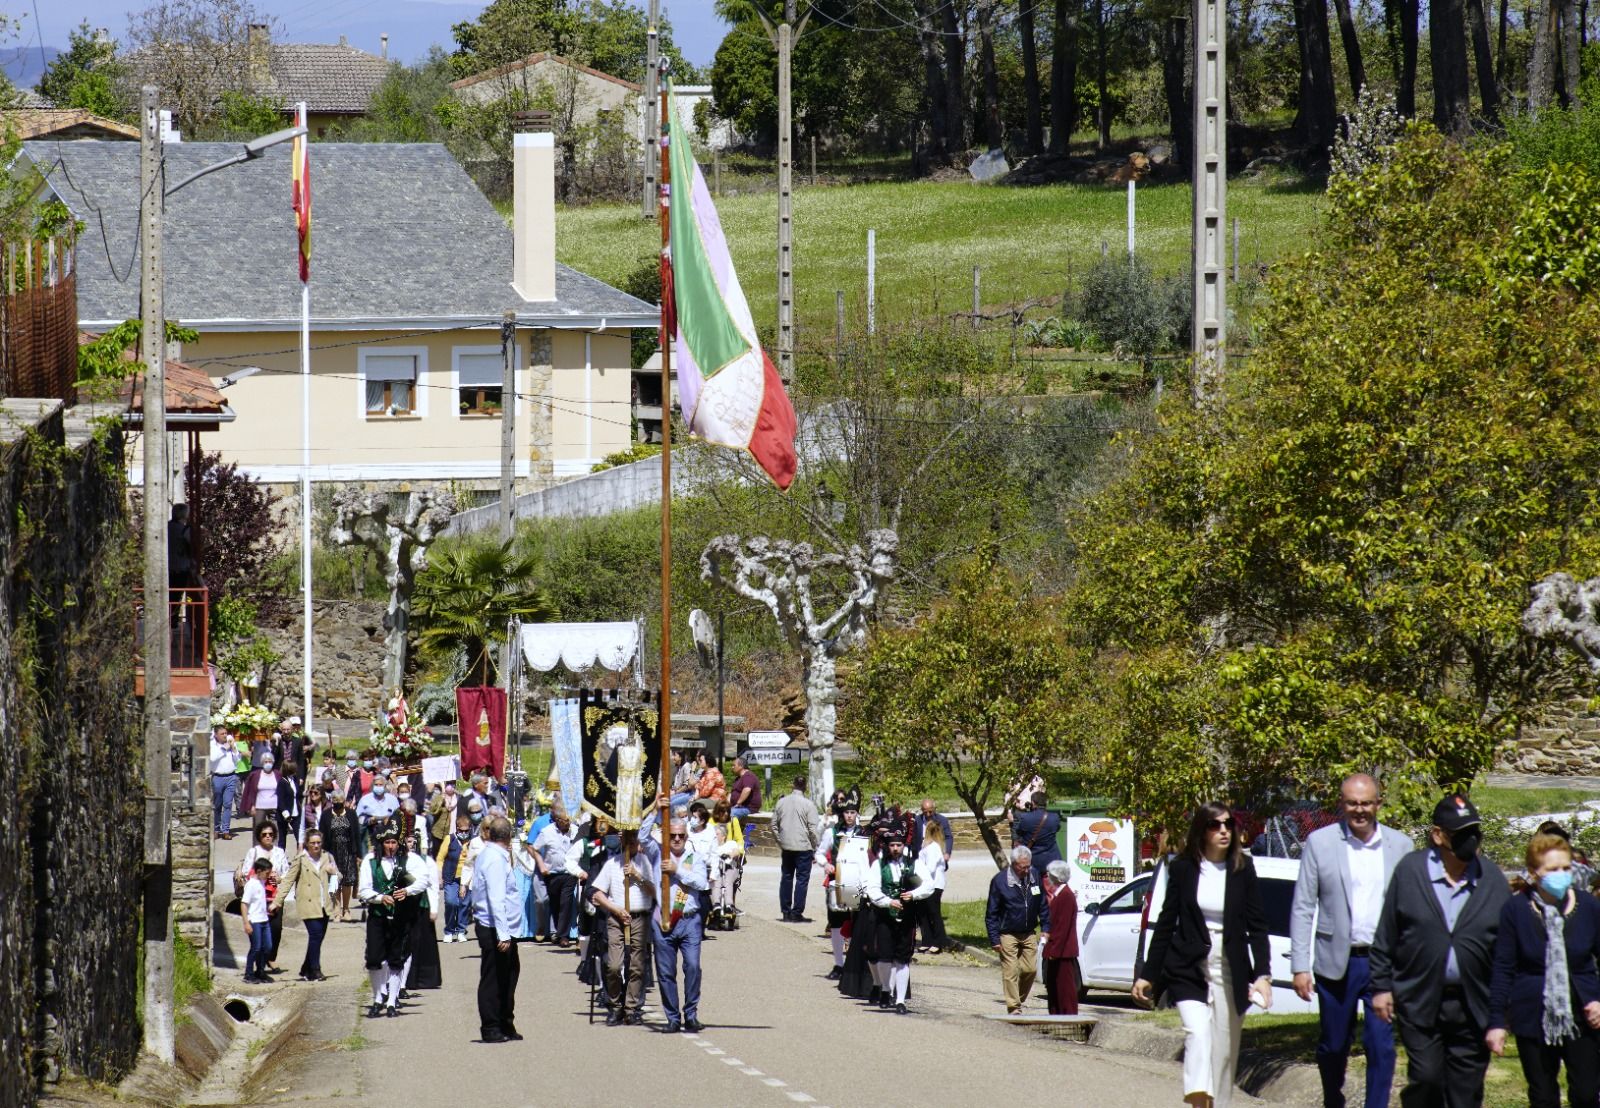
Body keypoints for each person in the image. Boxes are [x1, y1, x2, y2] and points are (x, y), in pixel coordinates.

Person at [1370, 793, 1510, 1108]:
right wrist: (1381, 987)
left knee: (1465, 1093)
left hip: (1473, 1003)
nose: (1470, 840)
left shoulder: (1492, 880)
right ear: (1438, 835)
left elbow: (1505, 954)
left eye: (1474, 831)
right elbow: (1386, 935)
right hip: (1420, 998)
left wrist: (1501, 1013)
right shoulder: (1410, 872)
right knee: (1427, 1080)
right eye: (1461, 833)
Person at [1133, 803, 1274, 1108]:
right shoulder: (1183, 869)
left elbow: (1258, 926)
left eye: (1228, 824)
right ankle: (1199, 1099)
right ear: (1201, 831)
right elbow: (1166, 923)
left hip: (1230, 969)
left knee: (1224, 1050)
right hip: (1189, 968)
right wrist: (1148, 975)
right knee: (1197, 1032)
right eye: (1215, 825)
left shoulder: (1242, 868)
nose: (1224, 830)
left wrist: (1262, 975)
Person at [1289, 773, 1413, 1108]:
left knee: (1381, 1044)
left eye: (1366, 803)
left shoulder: (1401, 846)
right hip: (1336, 962)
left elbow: (1409, 910)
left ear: (1378, 804)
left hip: (1382, 963)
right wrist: (1300, 966)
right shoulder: (1320, 842)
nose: (1360, 810)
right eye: (1352, 803)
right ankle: (1333, 1097)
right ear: (1341, 805)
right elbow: (1303, 906)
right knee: (1333, 1045)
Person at [1488, 830, 1600, 1108]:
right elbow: (1503, 967)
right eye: (1552, 869)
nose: (1561, 874)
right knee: (1543, 1095)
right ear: (1534, 873)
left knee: (1587, 1093)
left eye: (1566, 868)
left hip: (1582, 1014)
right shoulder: (1515, 909)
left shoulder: (1587, 907)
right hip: (1533, 1013)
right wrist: (1497, 1022)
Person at [358, 822, 427, 1019]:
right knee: (373, 958)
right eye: (387, 842)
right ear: (381, 843)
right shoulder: (370, 861)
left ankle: (391, 1002)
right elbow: (363, 890)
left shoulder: (409, 859)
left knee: (396, 958)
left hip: (400, 916)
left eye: (394, 842)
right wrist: (380, 898)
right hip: (378, 916)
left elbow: (424, 879)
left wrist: (407, 890)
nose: (391, 846)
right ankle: (378, 997)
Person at [864, 824, 934, 1014]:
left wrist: (914, 894)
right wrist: (887, 902)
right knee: (885, 958)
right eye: (893, 845)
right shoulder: (878, 865)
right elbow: (872, 889)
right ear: (887, 846)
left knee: (903, 959)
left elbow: (929, 884)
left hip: (908, 916)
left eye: (899, 845)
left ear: (904, 845)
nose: (896, 848)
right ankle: (886, 989)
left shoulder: (914, 863)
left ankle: (901, 1000)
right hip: (885, 916)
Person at [654, 814, 712, 1032]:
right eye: (672, 836)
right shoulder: (657, 856)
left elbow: (701, 882)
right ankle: (672, 1017)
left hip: (689, 920)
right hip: (664, 920)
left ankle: (691, 1013)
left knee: (693, 966)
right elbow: (642, 835)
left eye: (680, 836)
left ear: (686, 837)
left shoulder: (693, 858)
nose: (677, 839)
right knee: (666, 971)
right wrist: (657, 808)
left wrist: (676, 871)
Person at [592, 827, 657, 1026]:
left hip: (639, 917)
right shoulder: (612, 864)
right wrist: (616, 909)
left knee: (637, 965)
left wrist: (637, 875)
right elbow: (598, 894)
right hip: (617, 918)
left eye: (633, 840)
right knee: (613, 965)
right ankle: (615, 1004)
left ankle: (632, 1007)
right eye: (627, 840)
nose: (631, 844)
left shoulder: (645, 863)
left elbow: (654, 891)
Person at [470, 816, 522, 1042]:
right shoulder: (493, 859)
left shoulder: (496, 855)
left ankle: (505, 1023)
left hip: (504, 927)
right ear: (508, 836)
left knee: (509, 975)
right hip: (494, 927)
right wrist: (503, 934)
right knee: (493, 978)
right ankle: (491, 1027)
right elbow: (496, 898)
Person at [986, 845, 1046, 1014]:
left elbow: (1042, 904)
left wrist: (1045, 926)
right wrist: (994, 939)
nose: (1027, 870)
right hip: (1008, 933)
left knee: (1031, 970)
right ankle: (1014, 1007)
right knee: (1010, 971)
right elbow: (991, 912)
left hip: (1028, 932)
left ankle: (1017, 998)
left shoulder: (1034, 875)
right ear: (1013, 864)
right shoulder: (999, 881)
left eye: (1028, 866)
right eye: (1023, 867)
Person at [818, 797, 868, 979]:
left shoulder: (863, 833)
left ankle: (854, 963)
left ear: (857, 814)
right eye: (846, 812)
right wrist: (826, 865)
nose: (849, 816)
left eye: (852, 812)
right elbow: (820, 853)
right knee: (837, 924)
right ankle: (839, 964)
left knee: (855, 923)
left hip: (858, 883)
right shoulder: (832, 832)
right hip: (836, 881)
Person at [282, 828, 339, 980]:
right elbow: (288, 880)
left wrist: (333, 873)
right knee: (315, 934)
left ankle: (305, 968)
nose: (316, 846)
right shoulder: (301, 859)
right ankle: (315, 970)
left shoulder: (328, 857)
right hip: (307, 903)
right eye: (313, 843)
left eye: (318, 843)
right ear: (307, 844)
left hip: (324, 904)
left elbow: (338, 878)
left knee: (318, 938)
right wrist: (277, 901)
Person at [238, 821, 288, 972]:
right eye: (264, 834)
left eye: (270, 835)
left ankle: (271, 958)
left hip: (275, 896)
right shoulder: (253, 852)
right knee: (259, 931)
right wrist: (261, 878)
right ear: (259, 836)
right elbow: (247, 873)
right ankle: (258, 965)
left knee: (276, 928)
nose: (268, 837)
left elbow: (287, 873)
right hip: (259, 898)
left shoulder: (280, 852)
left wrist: (279, 879)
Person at [773, 775, 821, 923]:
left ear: (793, 785)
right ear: (805, 787)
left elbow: (774, 825)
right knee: (802, 880)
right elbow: (813, 829)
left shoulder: (781, 802)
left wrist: (781, 841)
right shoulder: (809, 805)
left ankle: (786, 912)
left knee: (786, 878)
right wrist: (816, 847)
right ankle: (796, 912)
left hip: (787, 846)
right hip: (803, 847)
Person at [532, 806, 580, 947]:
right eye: (566, 820)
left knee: (566, 902)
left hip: (569, 873)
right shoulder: (547, 832)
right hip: (552, 874)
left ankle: (563, 936)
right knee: (555, 903)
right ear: (558, 820)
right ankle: (557, 933)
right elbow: (535, 849)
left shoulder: (575, 830)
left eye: (569, 819)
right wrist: (541, 865)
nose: (568, 822)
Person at [404, 829, 443, 992]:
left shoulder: (427, 860)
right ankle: (405, 980)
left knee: (423, 941)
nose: (411, 844)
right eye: (408, 841)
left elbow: (433, 885)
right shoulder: (397, 859)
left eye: (414, 841)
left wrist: (434, 909)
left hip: (422, 906)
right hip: (404, 906)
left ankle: (425, 979)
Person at [1041, 859, 1080, 1015]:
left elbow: (1062, 927)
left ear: (1056, 876)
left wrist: (1053, 951)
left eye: (1050, 875)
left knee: (1065, 988)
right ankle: (1056, 1016)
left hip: (1062, 953)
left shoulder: (1066, 896)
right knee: (1054, 986)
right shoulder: (1060, 895)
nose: (1048, 877)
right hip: (1057, 951)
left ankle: (1068, 1018)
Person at [707, 799, 745, 930]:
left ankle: (730, 905)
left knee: (729, 880)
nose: (724, 814)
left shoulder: (733, 821)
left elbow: (740, 841)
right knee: (715, 880)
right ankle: (715, 907)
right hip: (715, 857)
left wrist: (737, 851)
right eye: (722, 811)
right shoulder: (711, 822)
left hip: (730, 858)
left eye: (727, 811)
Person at [436, 813, 474, 943]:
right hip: (450, 877)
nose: (463, 833)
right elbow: (440, 858)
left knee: (464, 904)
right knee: (452, 902)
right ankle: (449, 930)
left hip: (467, 879)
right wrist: (439, 876)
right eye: (461, 830)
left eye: (466, 830)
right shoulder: (450, 839)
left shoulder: (473, 841)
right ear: (456, 829)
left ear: (470, 829)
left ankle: (461, 930)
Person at [325, 791, 361, 923]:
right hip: (332, 852)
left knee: (347, 882)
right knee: (334, 881)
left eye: (340, 800)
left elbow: (356, 834)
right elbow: (323, 835)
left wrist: (359, 854)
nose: (338, 803)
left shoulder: (351, 814)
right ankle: (337, 910)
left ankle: (346, 909)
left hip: (348, 852)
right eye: (335, 800)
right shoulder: (326, 815)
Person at [916, 820, 951, 954]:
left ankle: (938, 941)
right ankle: (927, 940)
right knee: (923, 913)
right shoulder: (929, 846)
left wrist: (917, 873)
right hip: (928, 884)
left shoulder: (933, 848)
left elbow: (929, 868)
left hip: (934, 885)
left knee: (933, 913)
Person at [1010, 790, 1062, 875]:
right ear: (1046, 802)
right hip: (1051, 860)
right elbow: (1057, 828)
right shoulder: (1054, 817)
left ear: (1033, 803)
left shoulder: (1025, 818)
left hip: (1032, 860)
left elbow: (1019, 832)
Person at [241, 857, 274, 984]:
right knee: (256, 947)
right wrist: (246, 922)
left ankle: (260, 971)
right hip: (254, 920)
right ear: (259, 871)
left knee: (267, 947)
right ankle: (248, 973)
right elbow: (244, 904)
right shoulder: (251, 885)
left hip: (264, 919)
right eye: (266, 873)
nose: (268, 875)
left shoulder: (261, 882)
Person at [240, 753, 283, 842]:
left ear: (273, 762)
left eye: (270, 761)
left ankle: (273, 851)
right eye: (266, 761)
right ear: (262, 763)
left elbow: (282, 790)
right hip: (260, 806)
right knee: (258, 830)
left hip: (274, 806)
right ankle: (257, 851)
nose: (268, 763)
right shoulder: (255, 775)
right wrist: (251, 805)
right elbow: (251, 791)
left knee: (275, 830)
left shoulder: (278, 774)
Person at [209, 726, 239, 840]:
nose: (225, 735)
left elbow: (238, 759)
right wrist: (224, 748)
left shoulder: (230, 743)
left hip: (231, 776)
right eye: (222, 733)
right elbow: (212, 759)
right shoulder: (213, 745)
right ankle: (216, 829)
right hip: (218, 777)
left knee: (228, 804)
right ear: (216, 735)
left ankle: (225, 830)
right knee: (217, 805)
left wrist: (234, 749)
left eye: (226, 733)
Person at [910, 799, 954, 863]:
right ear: (922, 810)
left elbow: (948, 837)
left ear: (934, 809)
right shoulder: (917, 821)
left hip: (937, 855)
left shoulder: (942, 820)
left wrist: (947, 853)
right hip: (920, 856)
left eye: (930, 811)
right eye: (925, 812)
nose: (928, 814)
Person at [729, 756, 762, 823]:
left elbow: (747, 790)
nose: (732, 767)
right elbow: (732, 793)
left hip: (748, 808)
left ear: (741, 766)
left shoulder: (748, 776)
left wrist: (737, 804)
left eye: (734, 765)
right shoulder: (738, 778)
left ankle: (730, 833)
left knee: (731, 813)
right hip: (739, 807)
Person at [300, 782, 332, 847]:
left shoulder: (329, 807)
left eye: (316, 793)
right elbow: (302, 828)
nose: (312, 794)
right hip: (311, 840)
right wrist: (300, 844)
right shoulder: (306, 808)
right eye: (311, 792)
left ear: (321, 794)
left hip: (326, 840)